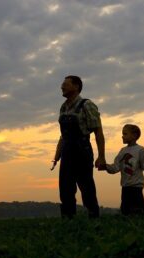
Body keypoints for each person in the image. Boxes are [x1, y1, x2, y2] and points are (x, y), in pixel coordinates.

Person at [51, 75, 106, 218]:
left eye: (65, 84)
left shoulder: (87, 105)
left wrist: (101, 156)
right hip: (67, 151)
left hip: (82, 149)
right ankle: (69, 219)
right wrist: (56, 157)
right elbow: (63, 136)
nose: (62, 87)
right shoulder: (63, 107)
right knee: (65, 188)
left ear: (76, 87)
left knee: (86, 186)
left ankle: (93, 217)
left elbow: (98, 132)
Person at [105, 124, 144, 215]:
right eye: (122, 134)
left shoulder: (140, 150)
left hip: (136, 188)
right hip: (125, 188)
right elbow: (115, 167)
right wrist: (105, 166)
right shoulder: (122, 151)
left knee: (139, 213)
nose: (122, 136)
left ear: (134, 136)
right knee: (125, 213)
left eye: (125, 134)